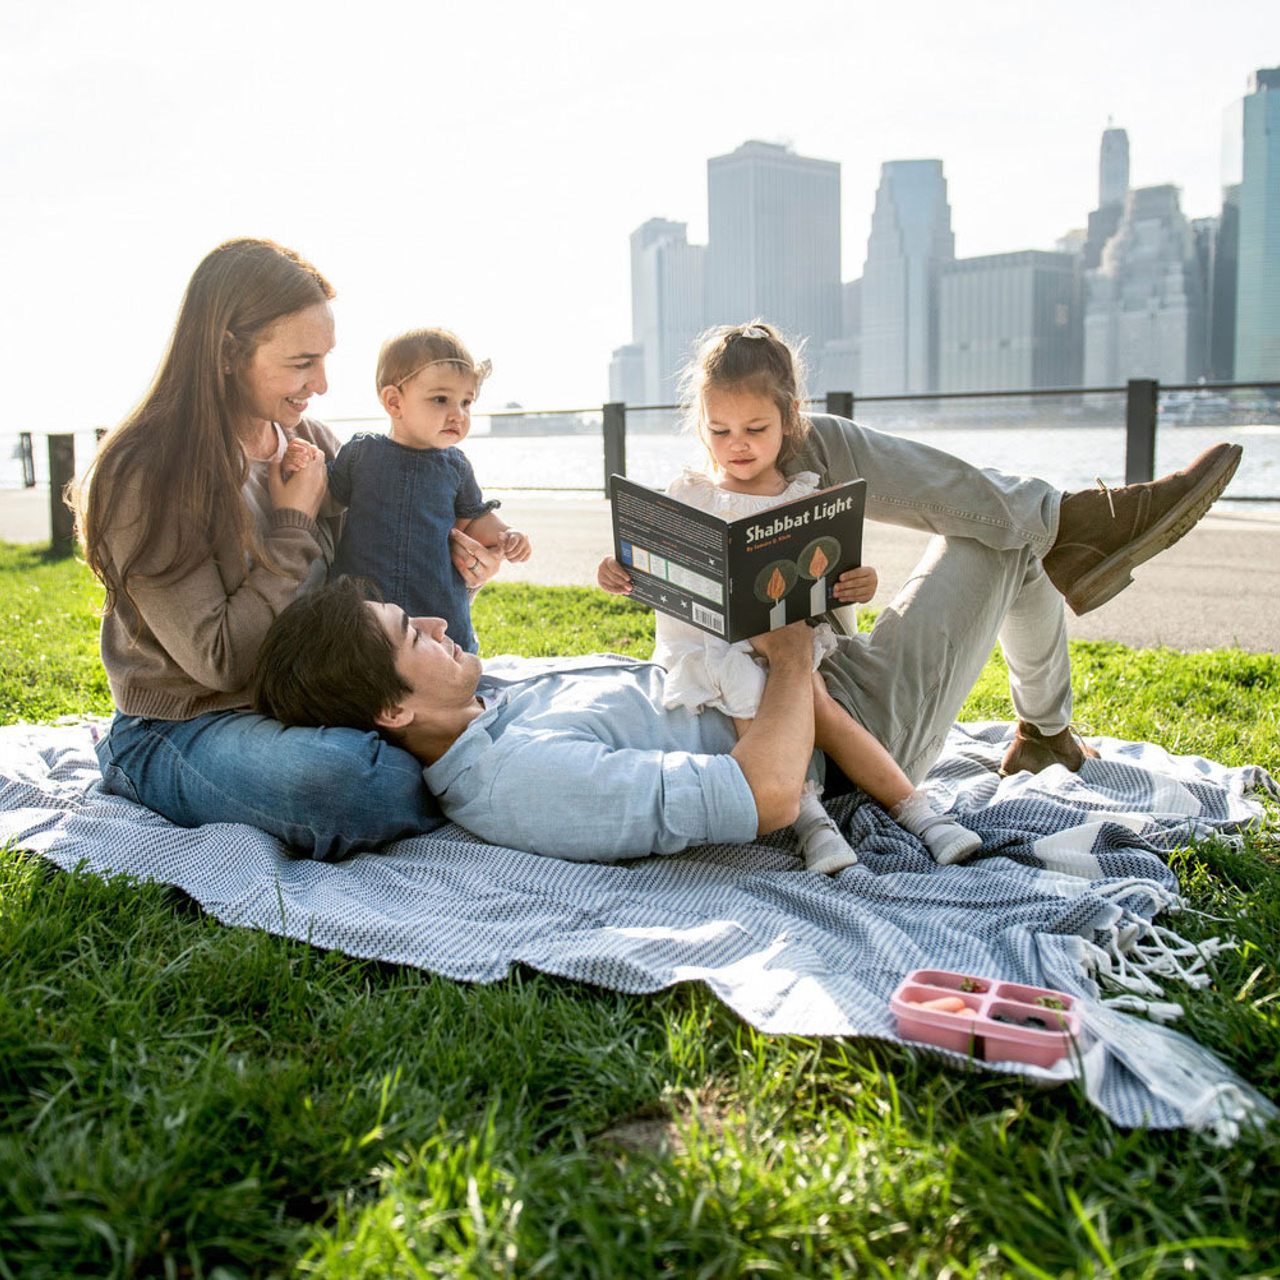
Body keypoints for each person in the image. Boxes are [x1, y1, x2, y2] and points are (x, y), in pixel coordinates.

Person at [72, 238, 490, 860]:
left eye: (325, 359)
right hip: (191, 720)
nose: (321, 384)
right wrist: (293, 523)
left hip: (316, 696)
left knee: (464, 710)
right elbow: (220, 661)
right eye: (301, 363)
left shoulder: (311, 440)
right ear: (226, 352)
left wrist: (457, 572)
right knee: (353, 780)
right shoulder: (146, 472)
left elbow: (362, 590)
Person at [596, 323, 981, 873]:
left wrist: (861, 582)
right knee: (749, 690)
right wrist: (618, 570)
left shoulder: (803, 498)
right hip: (708, 649)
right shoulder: (691, 494)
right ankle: (811, 821)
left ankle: (918, 811)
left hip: (787, 642)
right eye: (720, 430)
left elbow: (834, 579)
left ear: (790, 417)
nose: (738, 444)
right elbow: (654, 562)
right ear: (701, 424)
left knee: (817, 701)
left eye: (756, 429)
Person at [319, 328, 532, 654]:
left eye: (466, 402)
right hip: (366, 608)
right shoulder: (362, 453)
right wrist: (306, 467)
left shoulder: (455, 466)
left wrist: (509, 536)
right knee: (360, 665)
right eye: (441, 399)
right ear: (394, 401)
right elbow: (327, 502)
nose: (458, 414)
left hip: (437, 606)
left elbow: (474, 520)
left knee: (446, 665)